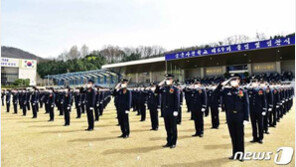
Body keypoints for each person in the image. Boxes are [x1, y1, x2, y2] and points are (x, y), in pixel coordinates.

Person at [218, 76, 249, 161]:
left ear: (239, 81)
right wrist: (221, 84)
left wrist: (246, 118)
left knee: (240, 136)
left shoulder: (243, 91)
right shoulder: (226, 90)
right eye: (232, 80)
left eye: (235, 80)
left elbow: (246, 105)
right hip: (230, 116)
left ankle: (241, 155)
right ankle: (235, 153)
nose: (233, 82)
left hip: (240, 116)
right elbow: (216, 93)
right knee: (233, 136)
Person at [155, 74, 180, 148]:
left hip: (172, 111)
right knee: (167, 127)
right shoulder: (164, 88)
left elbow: (177, 100)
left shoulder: (175, 89)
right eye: (166, 79)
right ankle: (169, 142)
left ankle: (174, 142)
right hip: (166, 111)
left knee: (173, 127)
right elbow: (156, 92)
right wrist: (159, 85)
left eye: (169, 79)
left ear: (172, 80)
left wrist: (176, 110)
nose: (167, 80)